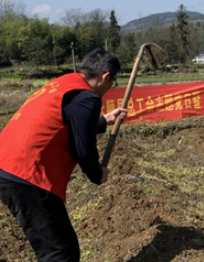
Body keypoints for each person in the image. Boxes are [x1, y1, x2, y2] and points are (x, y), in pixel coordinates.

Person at [0, 49, 127, 262]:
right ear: (106, 76)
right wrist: (97, 173)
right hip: (28, 174)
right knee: (60, 252)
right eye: (112, 82)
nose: (108, 88)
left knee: (59, 246)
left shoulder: (64, 83)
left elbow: (69, 125)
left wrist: (104, 120)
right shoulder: (87, 97)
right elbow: (83, 147)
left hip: (7, 164)